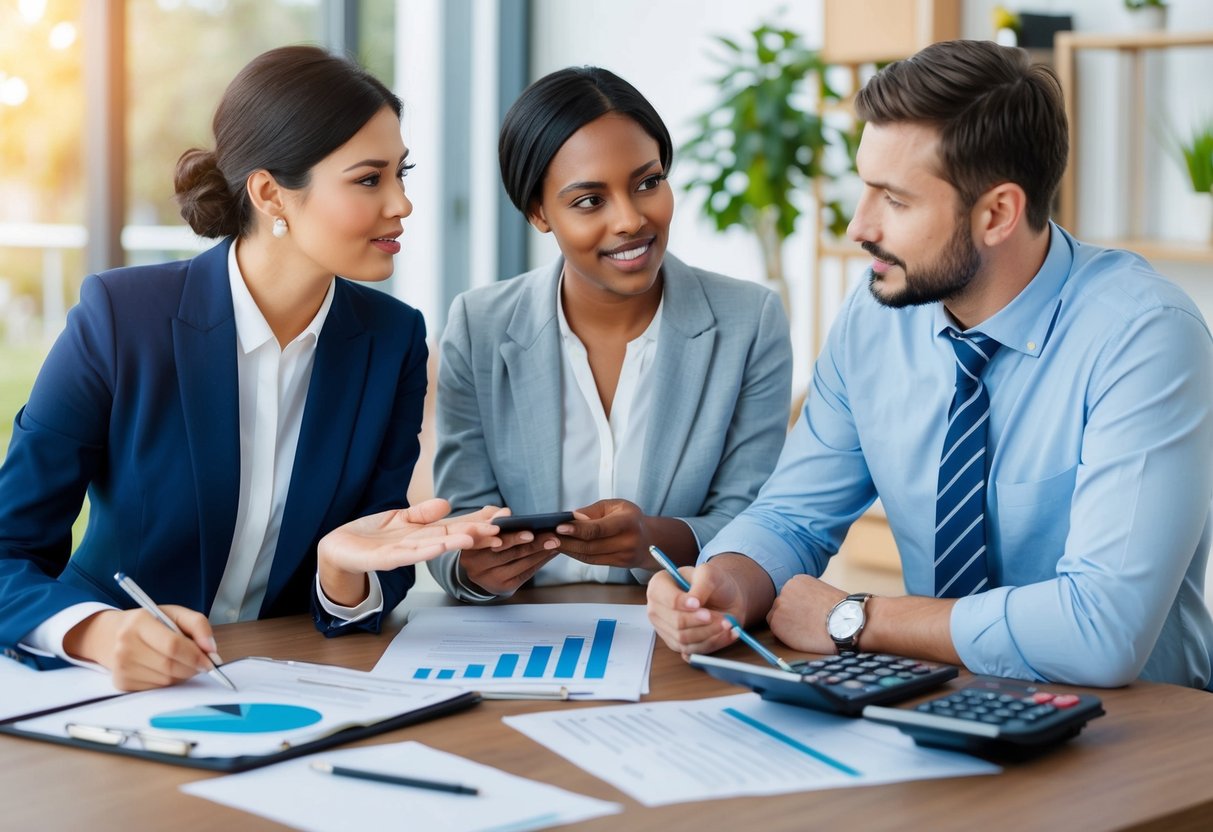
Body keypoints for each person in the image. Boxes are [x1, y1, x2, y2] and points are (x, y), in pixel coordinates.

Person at [647, 39, 1213, 690]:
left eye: (893, 200)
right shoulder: (875, 317)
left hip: (1138, 736)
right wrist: (728, 580)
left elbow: (1101, 629)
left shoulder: (1143, 339)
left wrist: (855, 618)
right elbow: (792, 517)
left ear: (996, 213)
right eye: (865, 189)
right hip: (945, 703)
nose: (858, 227)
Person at [0, 46, 501, 691]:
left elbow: (383, 550)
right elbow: (9, 549)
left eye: (402, 174)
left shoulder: (393, 339)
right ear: (271, 194)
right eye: (369, 179)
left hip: (290, 683)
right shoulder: (122, 318)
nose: (402, 204)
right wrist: (98, 632)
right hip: (110, 685)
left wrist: (341, 573)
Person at [427, 66, 792, 602]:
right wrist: (470, 568)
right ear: (538, 213)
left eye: (648, 183)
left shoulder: (750, 321)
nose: (630, 220)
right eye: (589, 200)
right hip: (517, 634)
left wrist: (652, 541)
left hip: (675, 627)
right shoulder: (477, 326)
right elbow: (456, 523)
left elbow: (759, 523)